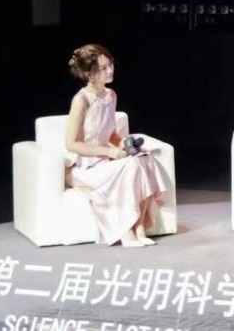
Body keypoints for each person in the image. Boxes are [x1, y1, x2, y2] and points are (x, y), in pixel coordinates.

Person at [64, 43, 169, 247]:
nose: (109, 70)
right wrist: (110, 152)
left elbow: (109, 133)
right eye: (102, 68)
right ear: (89, 74)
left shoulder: (110, 96)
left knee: (144, 158)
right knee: (131, 166)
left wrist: (126, 145)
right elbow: (71, 143)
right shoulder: (82, 100)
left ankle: (139, 227)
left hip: (104, 162)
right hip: (84, 167)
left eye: (110, 65)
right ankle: (125, 231)